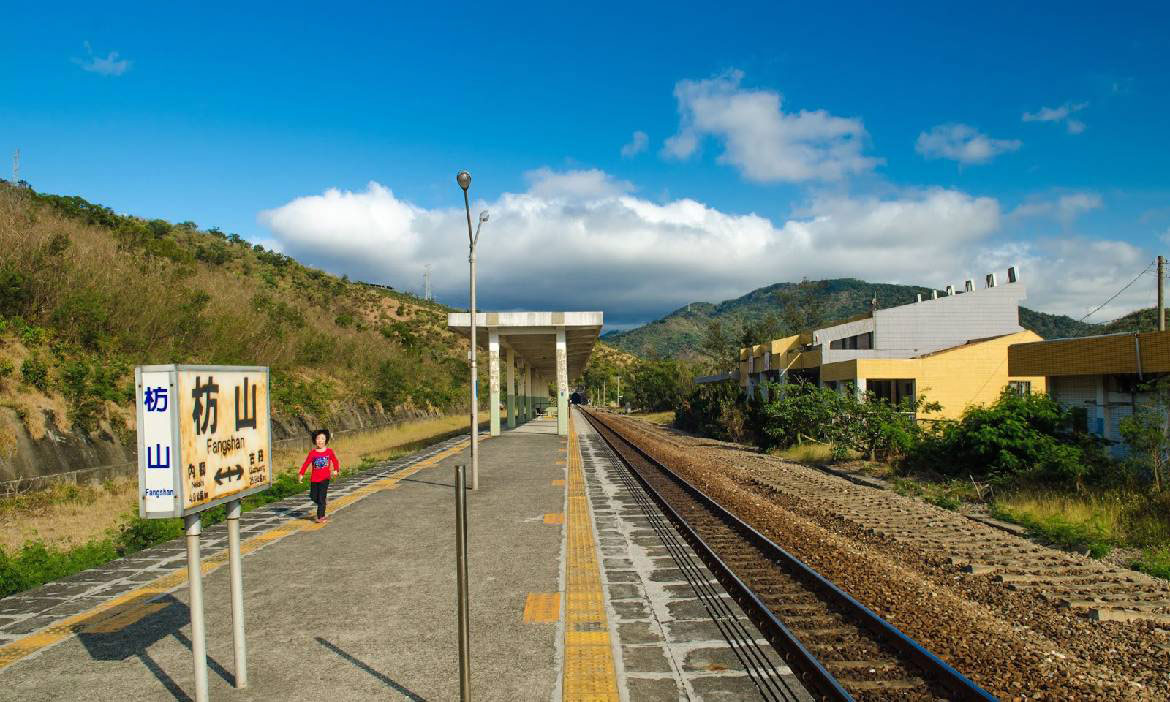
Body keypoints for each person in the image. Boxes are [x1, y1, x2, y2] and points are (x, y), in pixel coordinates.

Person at [299, 429, 340, 523]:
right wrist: (301, 474)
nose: (320, 441)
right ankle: (323, 503)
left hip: (325, 478)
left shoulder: (329, 451)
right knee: (313, 497)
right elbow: (306, 464)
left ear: (326, 440)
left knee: (321, 498)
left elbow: (335, 461)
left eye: (322, 438)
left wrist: (336, 470)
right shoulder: (312, 453)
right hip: (314, 479)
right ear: (314, 440)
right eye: (318, 439)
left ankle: (320, 516)